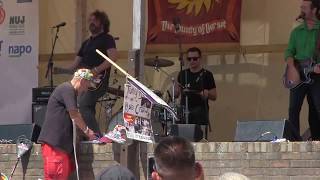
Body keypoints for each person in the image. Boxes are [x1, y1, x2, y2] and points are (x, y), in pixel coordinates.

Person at [58, 10, 118, 134]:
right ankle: (85, 136)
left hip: (98, 79)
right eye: (89, 20)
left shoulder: (107, 39)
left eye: (94, 20)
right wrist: (57, 70)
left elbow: (112, 58)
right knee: (80, 106)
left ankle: (96, 137)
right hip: (84, 79)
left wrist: (96, 70)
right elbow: (74, 65)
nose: (91, 23)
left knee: (84, 105)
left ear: (102, 23)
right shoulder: (86, 43)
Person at [38, 69, 97, 180]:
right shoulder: (67, 89)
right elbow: (74, 114)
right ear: (82, 81)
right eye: (86, 86)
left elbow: (72, 119)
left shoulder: (69, 92)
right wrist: (88, 131)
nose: (85, 90)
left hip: (60, 149)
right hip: (55, 148)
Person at [284, 0, 320, 140]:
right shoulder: (296, 31)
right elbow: (288, 52)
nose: (301, 9)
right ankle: (294, 142)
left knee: (316, 108)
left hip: (316, 75)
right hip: (297, 73)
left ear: (315, 10)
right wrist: (292, 67)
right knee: (293, 109)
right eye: (301, 7)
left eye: (305, 7)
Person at [175, 47, 217, 137]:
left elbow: (214, 96)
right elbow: (176, 94)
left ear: (200, 59)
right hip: (184, 111)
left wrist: (207, 93)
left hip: (200, 111)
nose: (192, 61)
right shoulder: (183, 74)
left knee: (197, 138)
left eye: (195, 58)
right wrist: (174, 87)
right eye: (189, 59)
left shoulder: (207, 74)